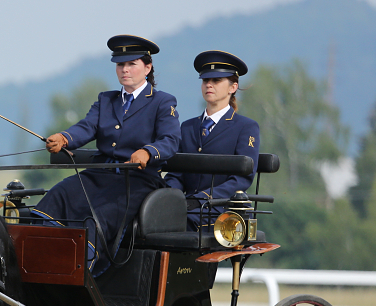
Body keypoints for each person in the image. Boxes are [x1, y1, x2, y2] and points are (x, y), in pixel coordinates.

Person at [32, 35, 180, 275]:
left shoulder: (163, 102)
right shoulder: (105, 100)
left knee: (97, 214)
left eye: (131, 64)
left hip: (138, 180)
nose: (125, 69)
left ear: (147, 67)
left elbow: (171, 140)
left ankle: (79, 271)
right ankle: (39, 258)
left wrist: (148, 151)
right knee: (59, 194)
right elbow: (87, 127)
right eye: (120, 64)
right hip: (101, 174)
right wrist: (64, 138)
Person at [165, 50, 260, 231]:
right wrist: (171, 197)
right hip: (188, 208)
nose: (209, 84)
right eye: (205, 80)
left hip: (223, 210)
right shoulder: (187, 127)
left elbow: (241, 179)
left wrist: (202, 198)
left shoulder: (246, 127)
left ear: (233, 87)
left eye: (216, 81)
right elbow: (176, 174)